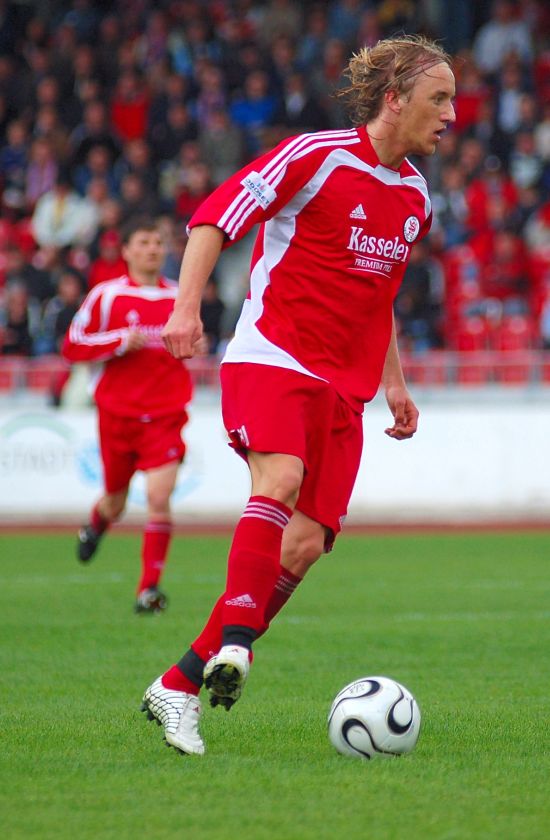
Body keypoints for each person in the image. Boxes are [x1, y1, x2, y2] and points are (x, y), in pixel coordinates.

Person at [141, 34, 456, 755]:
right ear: (394, 99)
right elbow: (214, 216)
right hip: (274, 355)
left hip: (346, 386)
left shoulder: (415, 196)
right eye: (438, 99)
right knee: (278, 479)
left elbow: (379, 297)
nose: (451, 115)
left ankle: (178, 684)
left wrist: (394, 382)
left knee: (306, 545)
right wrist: (185, 309)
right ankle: (238, 645)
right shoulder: (314, 157)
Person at [62, 217, 194, 614]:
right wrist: (118, 341)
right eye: (144, 242)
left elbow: (191, 341)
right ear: (127, 251)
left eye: (158, 242)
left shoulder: (181, 295)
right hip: (118, 415)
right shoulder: (107, 296)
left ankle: (148, 589)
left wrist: (195, 343)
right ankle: (96, 524)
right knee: (115, 503)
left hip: (166, 412)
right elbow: (72, 345)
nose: (153, 249)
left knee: (159, 498)